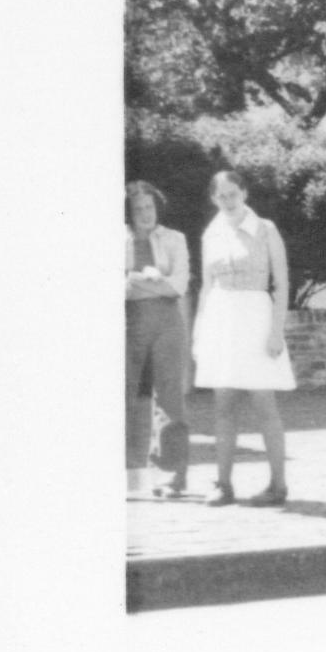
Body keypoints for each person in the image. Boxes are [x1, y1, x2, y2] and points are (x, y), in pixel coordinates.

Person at [191, 169, 295, 507]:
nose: (228, 201)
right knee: (223, 405)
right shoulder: (211, 233)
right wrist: (200, 331)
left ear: (245, 193)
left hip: (255, 318)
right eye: (221, 196)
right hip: (222, 320)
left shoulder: (266, 230)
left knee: (264, 404)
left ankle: (278, 485)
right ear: (213, 199)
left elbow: (281, 285)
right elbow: (207, 286)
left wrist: (276, 330)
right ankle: (223, 484)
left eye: (233, 194)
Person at [126, 181, 194, 501]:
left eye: (149, 207)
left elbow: (177, 286)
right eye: (138, 208)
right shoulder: (115, 238)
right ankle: (131, 475)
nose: (145, 214)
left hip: (168, 324)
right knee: (128, 398)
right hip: (129, 324)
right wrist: (147, 281)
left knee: (170, 401)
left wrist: (137, 281)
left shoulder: (174, 239)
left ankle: (173, 476)